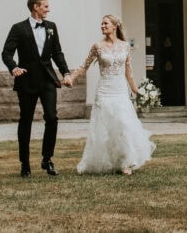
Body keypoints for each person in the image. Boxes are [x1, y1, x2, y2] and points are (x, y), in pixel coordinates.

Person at [64, 15, 155, 175]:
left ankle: (125, 162)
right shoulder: (97, 46)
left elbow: (129, 71)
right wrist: (71, 77)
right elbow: (84, 66)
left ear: (115, 26)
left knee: (122, 125)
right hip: (104, 90)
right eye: (101, 24)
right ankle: (105, 162)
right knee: (105, 127)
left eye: (105, 23)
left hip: (120, 90)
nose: (102, 26)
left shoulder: (125, 46)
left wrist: (136, 90)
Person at [1, 0, 73, 178]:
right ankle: (24, 163)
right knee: (26, 121)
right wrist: (14, 67)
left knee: (52, 117)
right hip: (26, 81)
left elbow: (57, 52)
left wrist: (65, 72)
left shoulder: (51, 27)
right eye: (46, 6)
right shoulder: (18, 28)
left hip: (48, 80)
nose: (48, 9)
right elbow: (6, 53)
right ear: (36, 7)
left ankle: (47, 158)